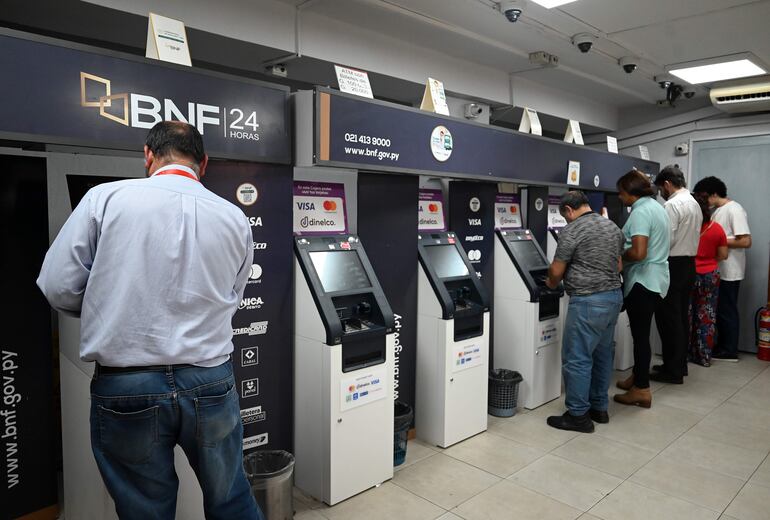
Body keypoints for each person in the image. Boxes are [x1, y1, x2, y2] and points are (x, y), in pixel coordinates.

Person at [37, 122, 262, 520]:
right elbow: (233, 295)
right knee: (231, 499)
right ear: (203, 163)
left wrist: (108, 307)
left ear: (148, 155)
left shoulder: (104, 199)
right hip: (209, 379)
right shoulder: (233, 217)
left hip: (128, 383)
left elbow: (57, 286)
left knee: (145, 510)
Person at [545, 191, 624, 432]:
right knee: (602, 355)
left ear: (569, 210)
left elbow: (556, 271)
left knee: (577, 357)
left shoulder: (572, 230)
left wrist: (549, 284)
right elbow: (619, 265)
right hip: (613, 297)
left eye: (565, 216)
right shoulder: (612, 227)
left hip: (588, 301)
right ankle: (599, 408)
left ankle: (578, 415)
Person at [614, 170, 670, 409]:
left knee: (640, 337)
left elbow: (638, 252)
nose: (619, 197)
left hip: (642, 281)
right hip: (658, 280)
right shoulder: (657, 208)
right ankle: (638, 376)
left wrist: (619, 257)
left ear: (631, 192)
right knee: (642, 335)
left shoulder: (640, 212)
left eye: (621, 192)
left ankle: (642, 389)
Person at [651, 166, 702, 383]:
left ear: (667, 184)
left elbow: (667, 239)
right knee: (680, 317)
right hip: (689, 264)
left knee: (668, 319)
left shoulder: (672, 205)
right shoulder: (693, 202)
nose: (661, 193)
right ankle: (679, 365)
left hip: (673, 264)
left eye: (660, 189)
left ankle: (672, 371)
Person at [692, 176, 752, 361]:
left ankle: (729, 350)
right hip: (717, 270)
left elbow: (745, 241)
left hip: (730, 271)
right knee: (717, 311)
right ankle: (721, 346)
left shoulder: (734, 209)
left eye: (704, 197)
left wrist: (717, 240)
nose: (703, 201)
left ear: (714, 194)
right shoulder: (717, 211)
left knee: (727, 310)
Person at [689, 193, 728, 366]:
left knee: (686, 315)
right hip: (710, 275)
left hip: (689, 274)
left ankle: (683, 355)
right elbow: (723, 255)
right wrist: (708, 260)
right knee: (706, 316)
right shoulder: (717, 228)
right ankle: (704, 356)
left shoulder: (687, 228)